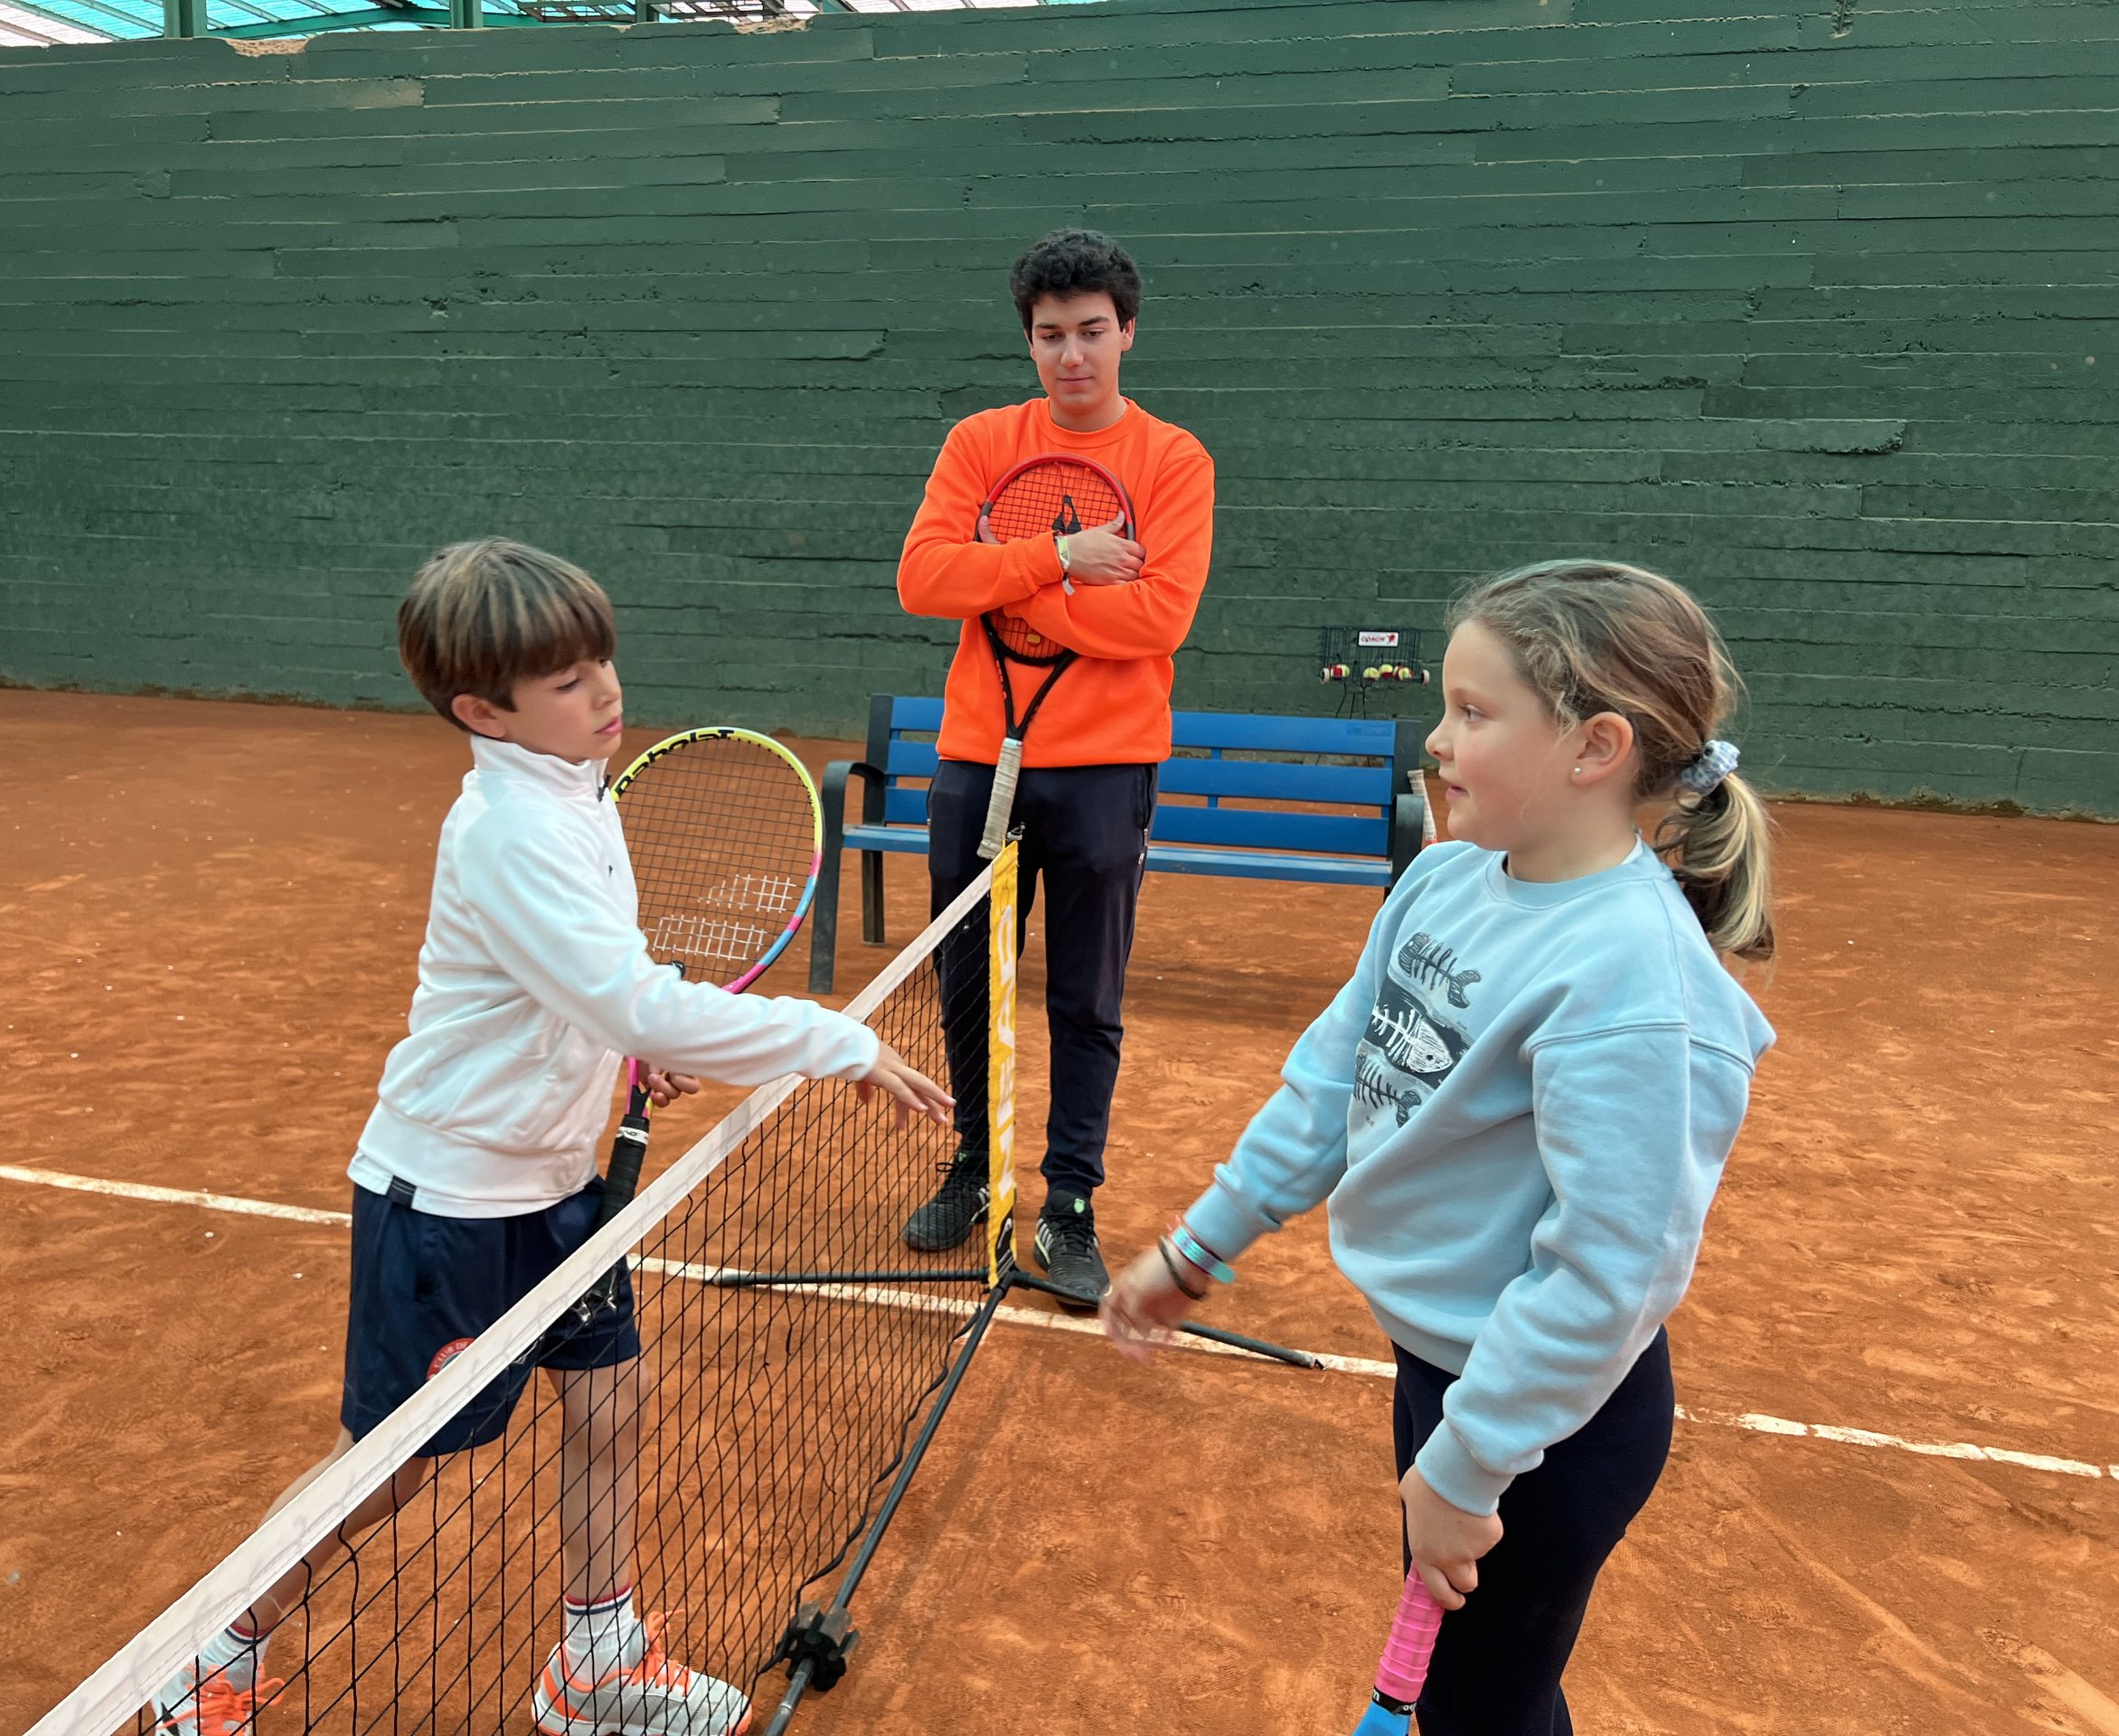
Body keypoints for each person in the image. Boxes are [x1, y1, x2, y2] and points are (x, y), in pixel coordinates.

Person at [152, 539, 951, 1736]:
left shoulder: (575, 789)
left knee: (609, 1402)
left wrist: (619, 1053)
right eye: (569, 681)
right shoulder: (511, 829)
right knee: (394, 1463)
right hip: (453, 1202)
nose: (607, 692)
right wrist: (820, 1039)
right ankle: (208, 1658)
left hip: (557, 1187)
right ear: (483, 711)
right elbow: (629, 997)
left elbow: (583, 990)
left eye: (603, 662)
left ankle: (596, 1663)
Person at [1102, 560, 1777, 1734]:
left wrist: (1470, 1466)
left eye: (1473, 711)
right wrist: (1197, 1247)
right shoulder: (1444, 880)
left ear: (1595, 748)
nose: (1437, 738)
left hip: (1549, 1424)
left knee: (1481, 1710)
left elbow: (1611, 1272)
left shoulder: (1633, 983)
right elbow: (1334, 1083)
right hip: (1446, 1379)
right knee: (1472, 1702)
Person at [893, 228, 1216, 1307]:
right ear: (1028, 341)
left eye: (1090, 331)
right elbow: (923, 579)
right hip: (975, 764)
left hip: (1105, 772)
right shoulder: (981, 441)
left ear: (1127, 333)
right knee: (966, 980)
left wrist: (1006, 582)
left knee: (1085, 997)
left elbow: (1157, 619)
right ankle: (973, 1169)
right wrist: (1063, 559)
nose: (1070, 355)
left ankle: (1068, 1202)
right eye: (1048, 336)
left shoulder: (1174, 460)